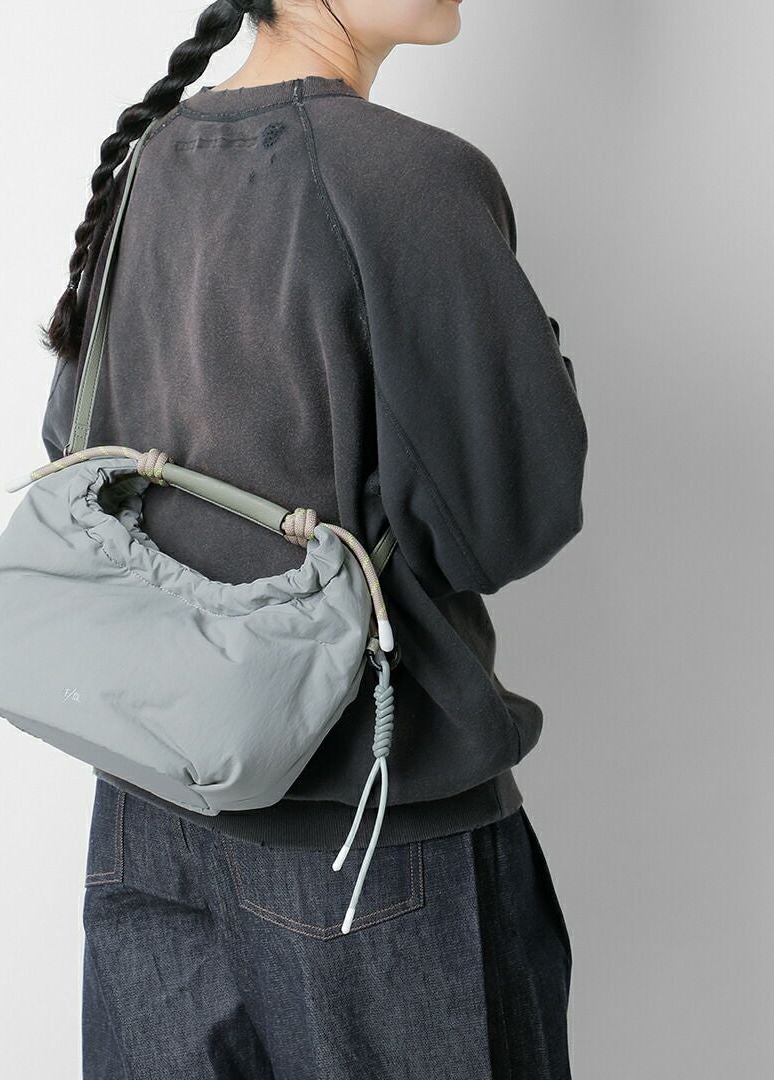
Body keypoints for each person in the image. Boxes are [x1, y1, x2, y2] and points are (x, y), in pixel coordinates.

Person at [41, 1, 587, 1076]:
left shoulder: (147, 158)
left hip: (147, 807)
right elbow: (503, 523)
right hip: (367, 831)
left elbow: (75, 447)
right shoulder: (412, 178)